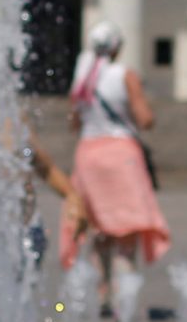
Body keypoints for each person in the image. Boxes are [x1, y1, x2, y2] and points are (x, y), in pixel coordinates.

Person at [63, 22, 170, 305]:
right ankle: (125, 296)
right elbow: (144, 119)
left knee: (98, 229)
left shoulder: (82, 77)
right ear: (117, 48)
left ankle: (102, 294)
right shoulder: (125, 75)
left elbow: (74, 123)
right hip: (121, 155)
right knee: (126, 231)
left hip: (88, 155)